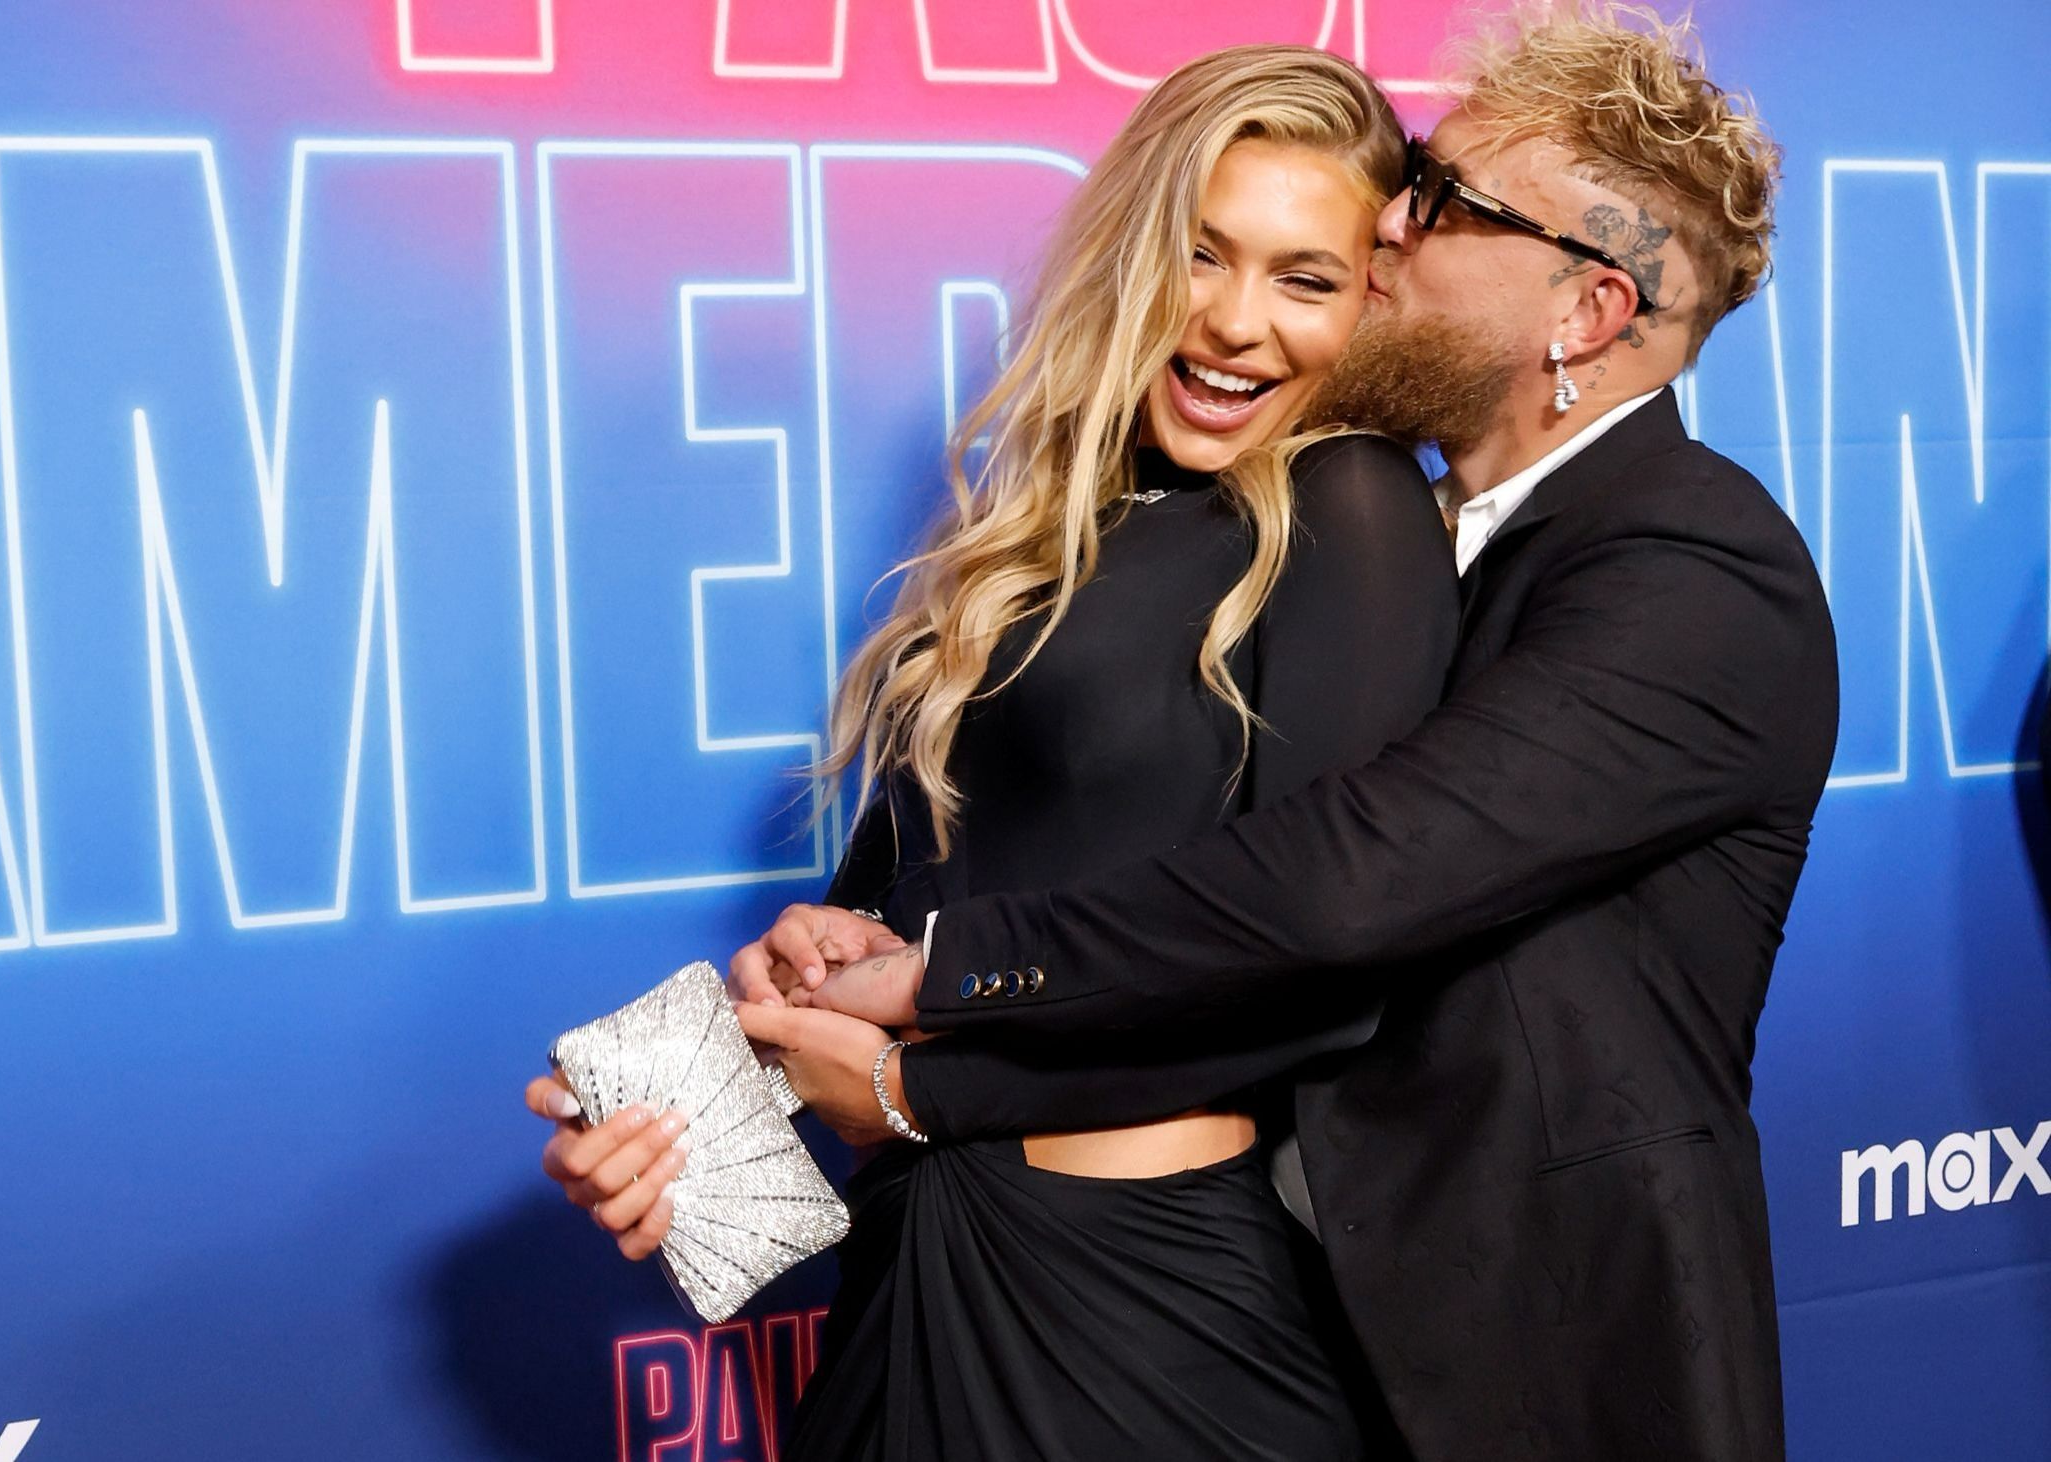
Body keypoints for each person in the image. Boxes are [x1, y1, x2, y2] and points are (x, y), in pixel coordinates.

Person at [755, 4, 1834, 1460]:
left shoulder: (1697, 571)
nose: (1396, 219)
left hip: (1522, 1354)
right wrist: (794, 1017)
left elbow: (1344, 883)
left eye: (1447, 202)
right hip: (1273, 1287)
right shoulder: (1398, 519)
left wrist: (919, 1049)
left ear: (1584, 313)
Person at [533, 43, 1458, 1460]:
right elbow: (932, 925)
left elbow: (1326, 968)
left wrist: (917, 1088)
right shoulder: (1040, 531)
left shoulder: (1350, 506)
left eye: (1304, 277)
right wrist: (743, 1061)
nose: (1234, 323)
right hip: (912, 1255)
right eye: (1198, 256)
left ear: (1371, 302)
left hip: (1146, 1309)